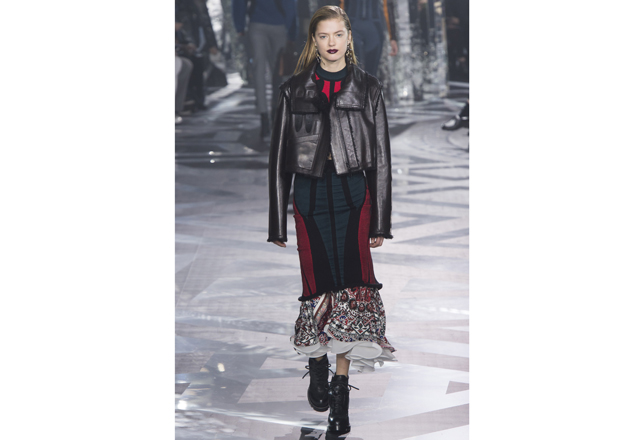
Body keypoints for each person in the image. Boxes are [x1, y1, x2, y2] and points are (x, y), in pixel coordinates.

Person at [267, 5, 395, 436]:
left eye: (338, 34)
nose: (332, 42)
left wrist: (380, 220)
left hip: (353, 196)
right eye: (323, 36)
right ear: (314, 41)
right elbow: (278, 158)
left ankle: (341, 393)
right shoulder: (293, 90)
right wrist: (277, 221)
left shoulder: (368, 87)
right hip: (309, 197)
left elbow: (382, 157)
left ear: (349, 38)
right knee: (317, 284)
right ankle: (317, 361)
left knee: (352, 288)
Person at [233, 0, 298, 139]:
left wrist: (240, 27)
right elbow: (291, 5)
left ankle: (265, 116)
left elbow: (239, 3)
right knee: (278, 73)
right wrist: (292, 32)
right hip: (278, 24)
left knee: (260, 71)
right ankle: (274, 113)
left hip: (258, 24)